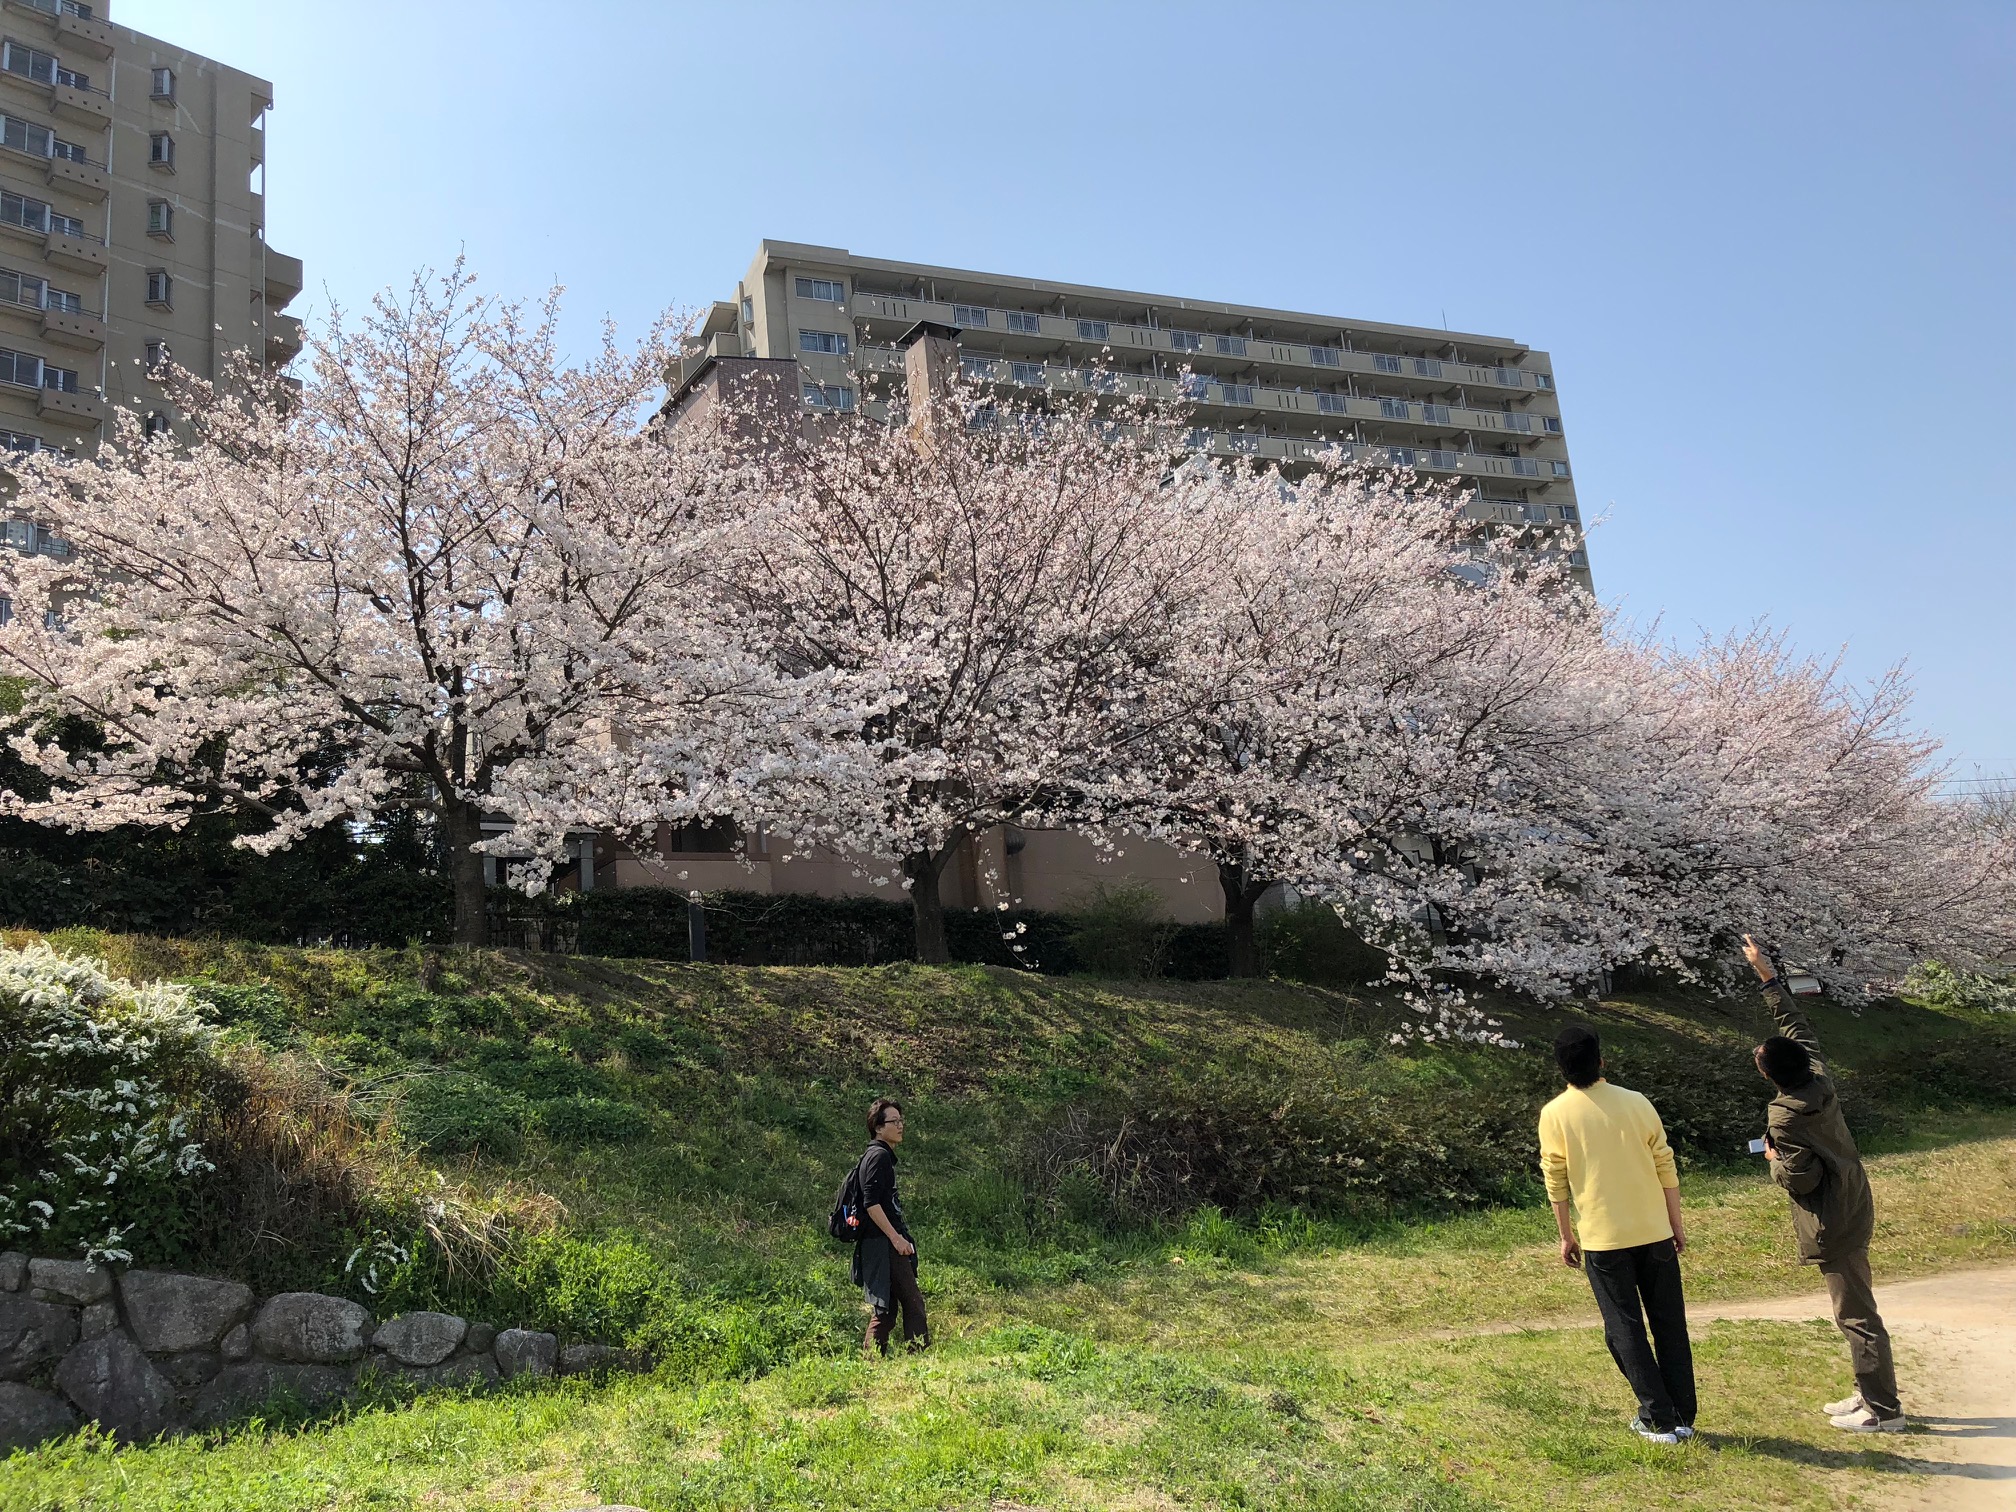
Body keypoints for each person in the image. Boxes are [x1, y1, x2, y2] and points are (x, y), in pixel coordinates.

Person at [1741, 934, 1905, 1433]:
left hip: (1831, 1218)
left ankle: (1884, 1410)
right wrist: (1766, 976)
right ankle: (1866, 1392)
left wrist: (1771, 1156)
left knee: (1856, 1315)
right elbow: (1798, 1027)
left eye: (1760, 1058)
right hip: (1854, 1202)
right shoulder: (1819, 1081)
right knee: (1858, 1304)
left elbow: (1801, 1178)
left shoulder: (1785, 1115)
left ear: (1772, 1075)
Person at [1538, 1023, 1697, 1444]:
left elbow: (1555, 1179)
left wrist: (1565, 1234)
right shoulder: (1637, 1102)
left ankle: (1658, 1416)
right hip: (1654, 1230)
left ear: (1560, 1068)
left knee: (1623, 1326)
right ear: (1602, 1061)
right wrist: (1675, 1224)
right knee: (1669, 1322)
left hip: (1602, 1239)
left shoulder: (1555, 1113)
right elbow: (1665, 1163)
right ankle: (1681, 1412)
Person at [850, 1097, 929, 1356]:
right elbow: (871, 1204)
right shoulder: (878, 1156)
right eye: (894, 1121)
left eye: (901, 1120)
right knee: (913, 1302)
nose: (900, 1125)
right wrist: (896, 1239)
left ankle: (871, 1360)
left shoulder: (879, 1156)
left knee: (886, 1308)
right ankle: (918, 1359)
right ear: (878, 1127)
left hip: (880, 1243)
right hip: (883, 1244)